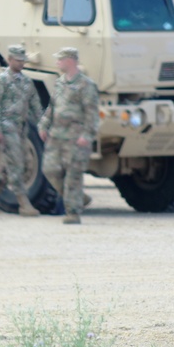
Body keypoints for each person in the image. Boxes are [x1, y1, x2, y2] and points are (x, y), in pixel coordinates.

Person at [0, 45, 42, 216]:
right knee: (17, 164)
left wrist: (42, 125)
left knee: (12, 164)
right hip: (6, 126)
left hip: (21, 128)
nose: (21, 63)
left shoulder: (26, 81)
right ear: (9, 59)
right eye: (18, 60)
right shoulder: (0, 81)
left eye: (23, 60)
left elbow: (35, 105)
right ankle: (23, 203)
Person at [39, 47, 100, 224]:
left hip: (76, 136)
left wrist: (87, 135)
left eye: (60, 59)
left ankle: (73, 212)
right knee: (49, 169)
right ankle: (79, 198)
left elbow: (92, 113)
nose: (57, 62)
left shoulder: (86, 85)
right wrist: (44, 125)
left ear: (70, 61)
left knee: (73, 174)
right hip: (57, 134)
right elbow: (52, 107)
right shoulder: (59, 83)